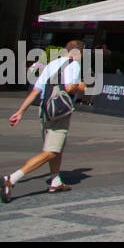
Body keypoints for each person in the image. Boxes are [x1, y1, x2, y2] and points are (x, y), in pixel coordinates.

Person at [3, 41, 86, 202]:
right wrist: (81, 86)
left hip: (45, 110)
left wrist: (21, 111)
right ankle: (11, 179)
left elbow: (36, 90)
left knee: (57, 148)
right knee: (51, 152)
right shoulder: (74, 64)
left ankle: (55, 181)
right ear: (77, 53)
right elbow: (69, 88)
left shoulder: (52, 64)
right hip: (60, 112)